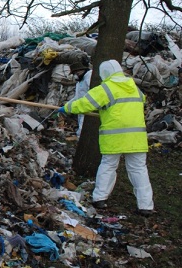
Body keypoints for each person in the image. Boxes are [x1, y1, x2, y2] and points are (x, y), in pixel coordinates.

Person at [58, 59, 154, 216]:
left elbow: (85, 103)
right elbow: (140, 101)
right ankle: (146, 206)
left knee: (108, 166)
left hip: (114, 136)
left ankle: (100, 198)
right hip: (137, 137)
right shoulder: (133, 87)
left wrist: (66, 108)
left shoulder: (106, 88)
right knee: (139, 170)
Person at [69, 62, 93, 137]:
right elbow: (78, 97)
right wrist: (67, 106)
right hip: (81, 108)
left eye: (77, 72)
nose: (76, 74)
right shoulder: (80, 80)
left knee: (83, 128)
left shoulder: (89, 77)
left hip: (88, 108)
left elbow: (92, 94)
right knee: (81, 125)